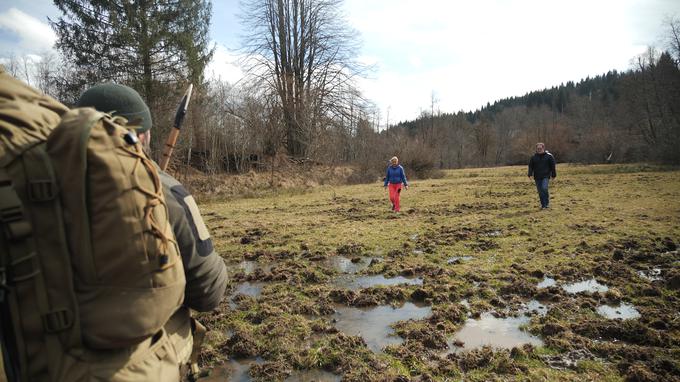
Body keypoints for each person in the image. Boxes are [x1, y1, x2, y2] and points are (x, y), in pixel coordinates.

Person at [76, 83, 228, 379]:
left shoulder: (27, 193)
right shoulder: (167, 192)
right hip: (144, 367)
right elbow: (209, 292)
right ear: (142, 135)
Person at [528, 142, 556, 209]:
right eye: (538, 148)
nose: (539, 150)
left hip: (546, 176)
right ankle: (543, 205)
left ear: (543, 148)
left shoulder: (549, 156)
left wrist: (554, 175)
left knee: (544, 188)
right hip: (537, 177)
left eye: (540, 148)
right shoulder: (533, 157)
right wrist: (530, 174)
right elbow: (530, 166)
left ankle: (547, 204)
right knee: (540, 192)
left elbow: (553, 166)